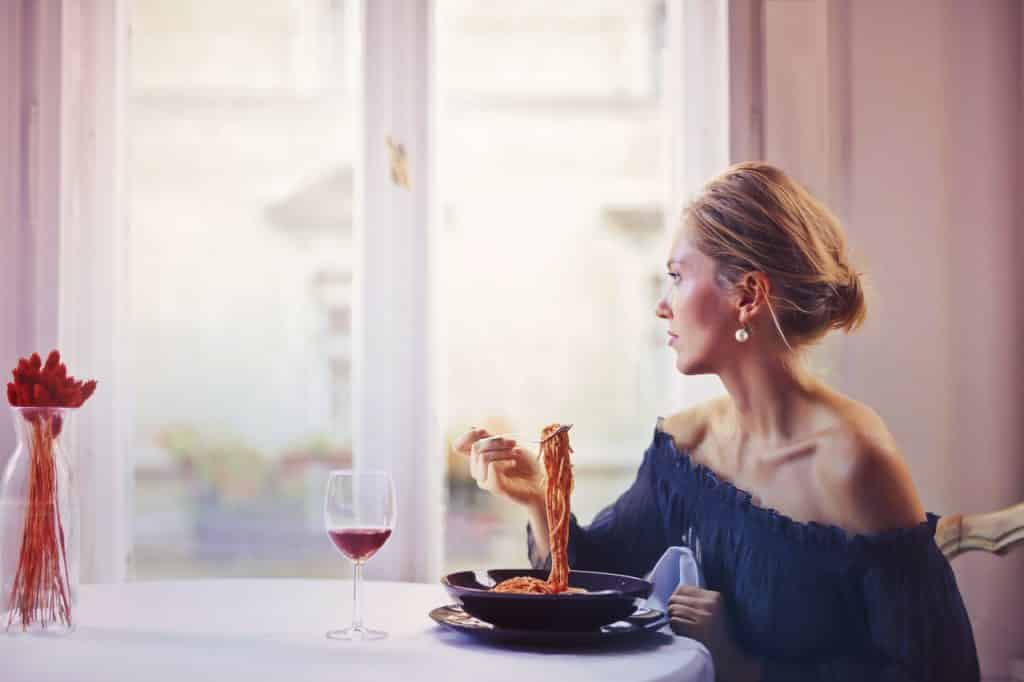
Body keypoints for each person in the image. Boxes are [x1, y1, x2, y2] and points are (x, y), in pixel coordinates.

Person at [453, 162, 979, 681]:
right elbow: (597, 589)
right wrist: (541, 497)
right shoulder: (686, 446)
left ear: (748, 295)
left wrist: (745, 667)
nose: (662, 306)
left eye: (678, 277)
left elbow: (938, 670)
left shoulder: (853, 460)